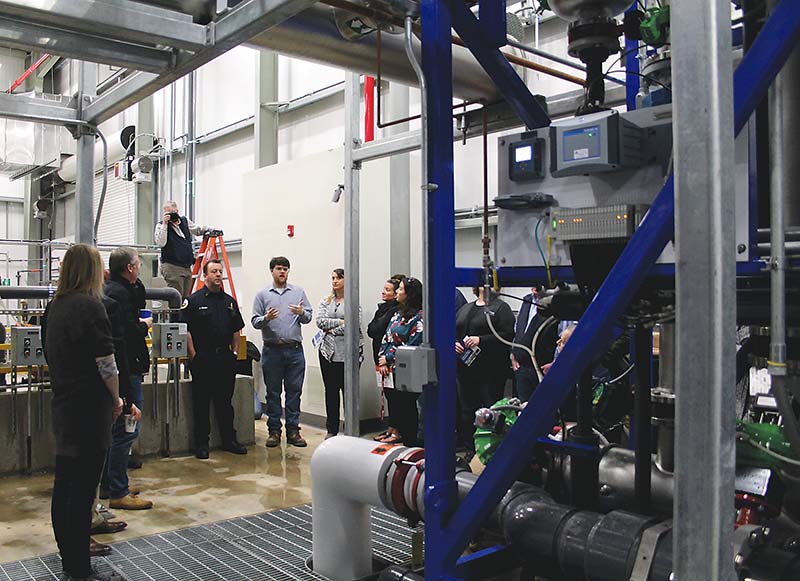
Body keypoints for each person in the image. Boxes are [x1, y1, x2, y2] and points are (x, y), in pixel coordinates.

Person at [42, 244, 124, 581]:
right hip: (90, 409)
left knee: (65, 486)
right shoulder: (91, 306)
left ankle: (69, 558)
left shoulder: (55, 306)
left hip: (64, 404)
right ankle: (80, 568)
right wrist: (116, 398)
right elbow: (106, 362)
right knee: (83, 489)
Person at [101, 247, 153, 510]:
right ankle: (118, 491)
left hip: (126, 367)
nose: (139, 270)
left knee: (116, 431)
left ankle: (110, 482)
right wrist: (144, 326)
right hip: (127, 368)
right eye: (137, 266)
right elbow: (124, 336)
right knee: (126, 429)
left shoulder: (116, 290)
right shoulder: (118, 296)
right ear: (130, 268)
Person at [182, 259, 247, 459]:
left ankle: (229, 440)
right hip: (203, 358)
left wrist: (234, 353)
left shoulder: (229, 302)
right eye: (214, 271)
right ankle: (202, 444)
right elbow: (186, 331)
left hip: (225, 359)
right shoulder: (193, 301)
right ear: (205, 276)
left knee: (225, 402)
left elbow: (236, 329)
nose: (219, 274)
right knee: (201, 403)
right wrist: (193, 355)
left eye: (220, 271)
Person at [252, 256, 313, 448]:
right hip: (272, 351)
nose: (282, 272)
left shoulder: (298, 292)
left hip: (294, 350)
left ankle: (293, 431)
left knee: (294, 393)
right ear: (272, 271)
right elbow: (254, 321)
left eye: (285, 269)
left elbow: (309, 316)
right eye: (279, 268)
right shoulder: (262, 295)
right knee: (273, 393)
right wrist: (266, 318)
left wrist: (301, 313)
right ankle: (274, 431)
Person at [454, 287, 515, 457]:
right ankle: (470, 449)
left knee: (491, 410)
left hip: (490, 370)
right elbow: (455, 330)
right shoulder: (466, 308)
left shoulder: (501, 308)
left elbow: (508, 334)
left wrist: (480, 340)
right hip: (465, 369)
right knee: (467, 411)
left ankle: (492, 450)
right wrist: (454, 343)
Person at [377, 277, 424, 446]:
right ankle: (402, 439)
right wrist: (383, 359)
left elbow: (412, 343)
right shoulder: (397, 314)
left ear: (409, 294)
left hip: (407, 369)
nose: (397, 291)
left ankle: (411, 443)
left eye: (401, 289)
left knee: (407, 406)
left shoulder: (420, 317)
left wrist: (389, 357)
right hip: (390, 368)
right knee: (396, 404)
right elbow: (387, 337)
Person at [315, 268, 362, 438]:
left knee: (348, 393)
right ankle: (331, 429)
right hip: (328, 353)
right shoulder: (326, 301)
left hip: (348, 354)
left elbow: (354, 324)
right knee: (331, 392)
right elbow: (320, 322)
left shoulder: (353, 302)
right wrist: (341, 322)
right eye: (333, 278)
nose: (335, 281)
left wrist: (332, 329)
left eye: (339, 278)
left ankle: (350, 429)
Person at [367, 276, 402, 442]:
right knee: (388, 394)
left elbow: (379, 328)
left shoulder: (396, 311)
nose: (383, 292)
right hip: (380, 358)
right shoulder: (382, 309)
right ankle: (390, 428)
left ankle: (397, 430)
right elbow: (371, 330)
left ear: (396, 294)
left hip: (390, 360)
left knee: (395, 397)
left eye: (388, 290)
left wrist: (386, 358)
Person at [153, 200, 209, 298]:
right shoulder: (160, 226)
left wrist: (209, 229)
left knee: (186, 298)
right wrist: (165, 224)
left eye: (172, 212)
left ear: (177, 211)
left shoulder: (184, 221)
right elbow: (161, 243)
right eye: (167, 213)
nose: (170, 215)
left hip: (186, 266)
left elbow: (196, 229)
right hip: (172, 266)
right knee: (176, 298)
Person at [510, 286, 557, 401]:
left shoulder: (557, 303)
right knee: (523, 407)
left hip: (544, 369)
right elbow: (518, 329)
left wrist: (557, 362)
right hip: (521, 368)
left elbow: (566, 335)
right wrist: (513, 353)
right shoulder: (527, 300)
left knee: (544, 407)